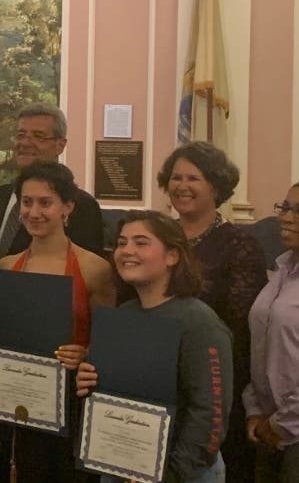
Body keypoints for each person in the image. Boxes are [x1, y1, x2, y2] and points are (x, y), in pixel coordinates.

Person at [0, 161, 115, 482]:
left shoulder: (94, 269)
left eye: (45, 202)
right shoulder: (6, 266)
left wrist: (85, 353)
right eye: (27, 202)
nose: (34, 212)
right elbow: (0, 334)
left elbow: (109, 344)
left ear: (68, 207)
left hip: (72, 403)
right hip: (18, 397)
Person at [77, 210, 233, 482]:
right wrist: (88, 380)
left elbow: (210, 412)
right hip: (121, 464)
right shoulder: (123, 315)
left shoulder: (199, 322)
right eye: (121, 242)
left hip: (181, 472)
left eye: (141, 242)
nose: (127, 250)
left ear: (172, 256)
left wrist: (174, 473)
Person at [157, 141, 267, 481]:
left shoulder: (240, 244)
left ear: (216, 187)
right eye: (176, 177)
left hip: (213, 384)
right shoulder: (155, 237)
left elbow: (239, 327)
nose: (182, 186)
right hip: (156, 378)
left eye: (193, 178)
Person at [0, 103, 104, 259]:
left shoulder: (81, 205)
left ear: (60, 145)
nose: (25, 143)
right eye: (21, 135)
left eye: (38, 136)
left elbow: (87, 266)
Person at [243, 185, 299, 481]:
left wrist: (282, 424)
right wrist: (254, 408)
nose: (286, 217)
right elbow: (261, 346)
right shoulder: (283, 269)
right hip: (268, 426)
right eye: (285, 207)